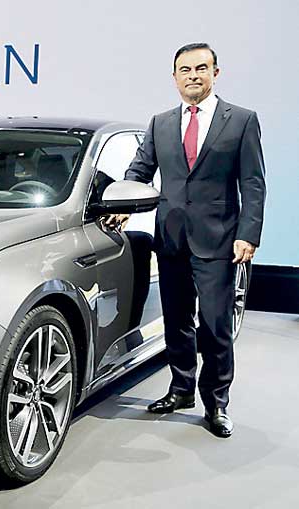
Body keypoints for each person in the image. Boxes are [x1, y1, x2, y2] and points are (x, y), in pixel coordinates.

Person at [107, 42, 266, 438]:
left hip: (219, 241)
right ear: (174, 77)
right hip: (172, 240)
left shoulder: (242, 120)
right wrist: (124, 203)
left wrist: (249, 233)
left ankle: (217, 403)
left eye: (201, 68)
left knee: (215, 326)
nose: (193, 75)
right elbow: (140, 169)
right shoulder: (160, 123)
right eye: (184, 69)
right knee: (177, 322)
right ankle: (181, 390)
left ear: (216, 72)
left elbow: (253, 183)